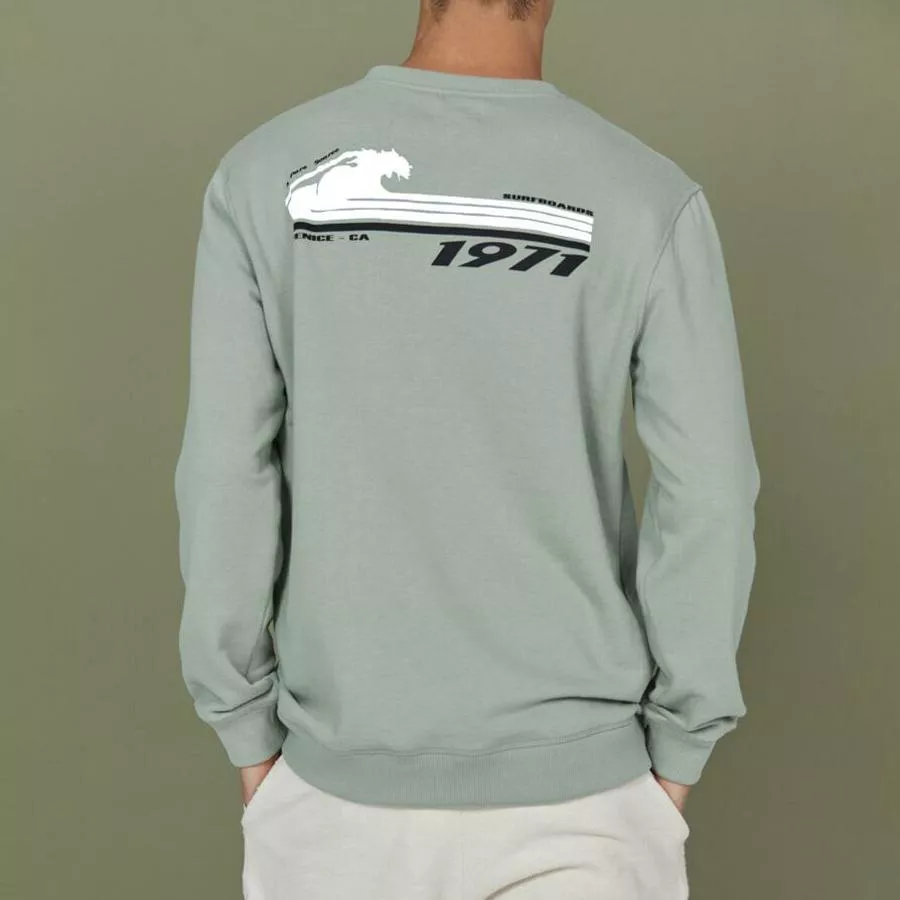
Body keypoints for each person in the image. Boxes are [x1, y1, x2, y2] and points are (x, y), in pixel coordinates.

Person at [173, 1, 761, 897]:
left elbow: (226, 473)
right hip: (587, 806)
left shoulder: (260, 176)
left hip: (332, 799)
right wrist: (680, 746)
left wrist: (244, 725)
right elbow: (710, 493)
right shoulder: (648, 196)